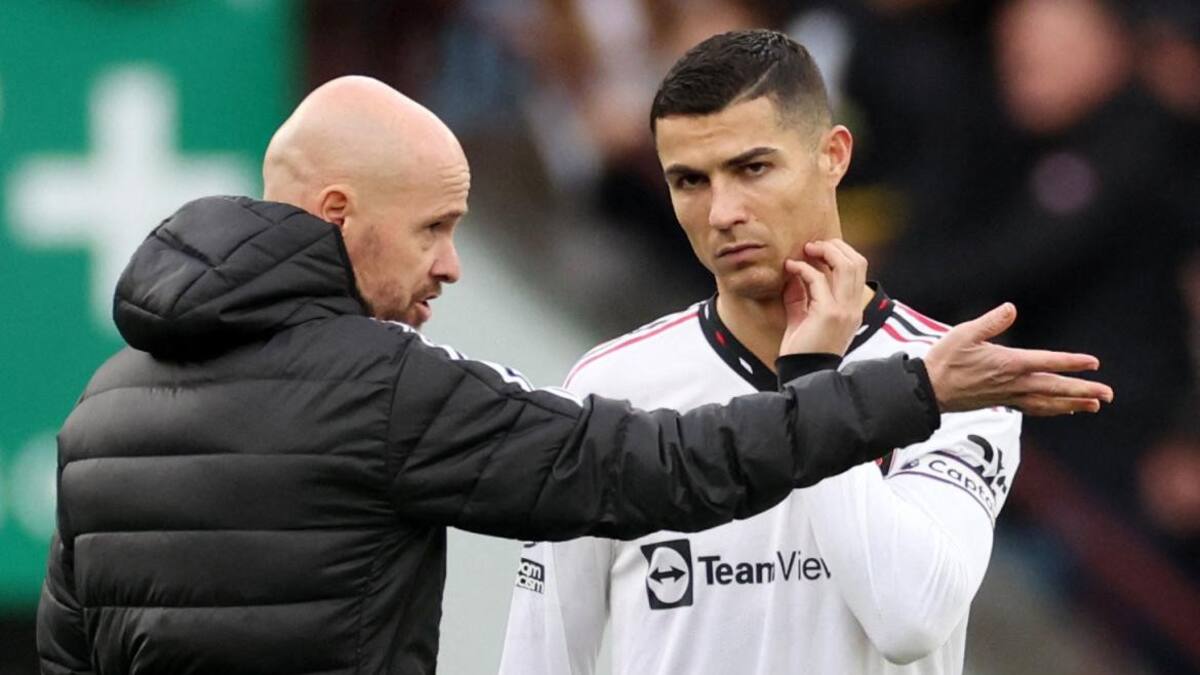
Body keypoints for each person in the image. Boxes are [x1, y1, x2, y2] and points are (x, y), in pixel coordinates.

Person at [35, 75, 1110, 675]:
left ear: (829, 158)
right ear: (337, 218)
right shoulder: (388, 384)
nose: (452, 264)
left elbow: (70, 659)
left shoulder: (102, 409)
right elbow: (649, 468)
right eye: (435, 229)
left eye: (749, 169)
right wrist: (892, 386)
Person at [498, 30, 1045, 675]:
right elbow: (541, 657)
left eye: (751, 168)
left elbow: (910, 618)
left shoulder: (952, 377)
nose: (723, 211)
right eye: (689, 180)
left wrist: (813, 382)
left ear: (833, 155)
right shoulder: (609, 387)